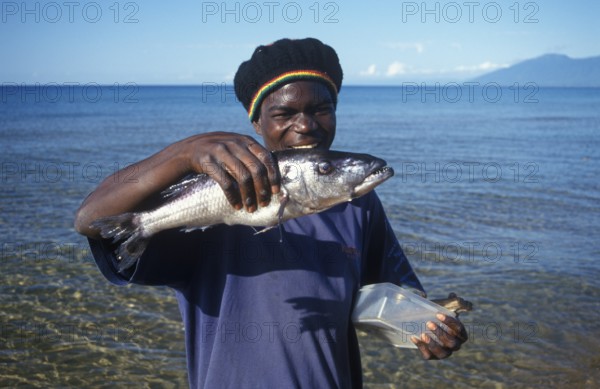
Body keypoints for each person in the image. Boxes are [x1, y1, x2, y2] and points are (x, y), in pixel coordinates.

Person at [75, 38, 467, 388]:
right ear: (256, 120)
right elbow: (91, 219)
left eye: (322, 109)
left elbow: (394, 295)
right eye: (284, 114)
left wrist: (428, 326)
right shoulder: (215, 202)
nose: (305, 126)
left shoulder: (359, 204)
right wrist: (184, 153)